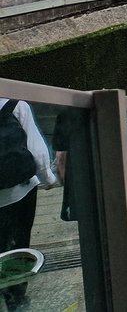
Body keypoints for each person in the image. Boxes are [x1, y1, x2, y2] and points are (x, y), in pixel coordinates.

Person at [0, 97, 57, 309]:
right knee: (18, 244)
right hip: (20, 192)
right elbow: (38, 152)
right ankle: (16, 298)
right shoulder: (15, 105)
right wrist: (48, 179)